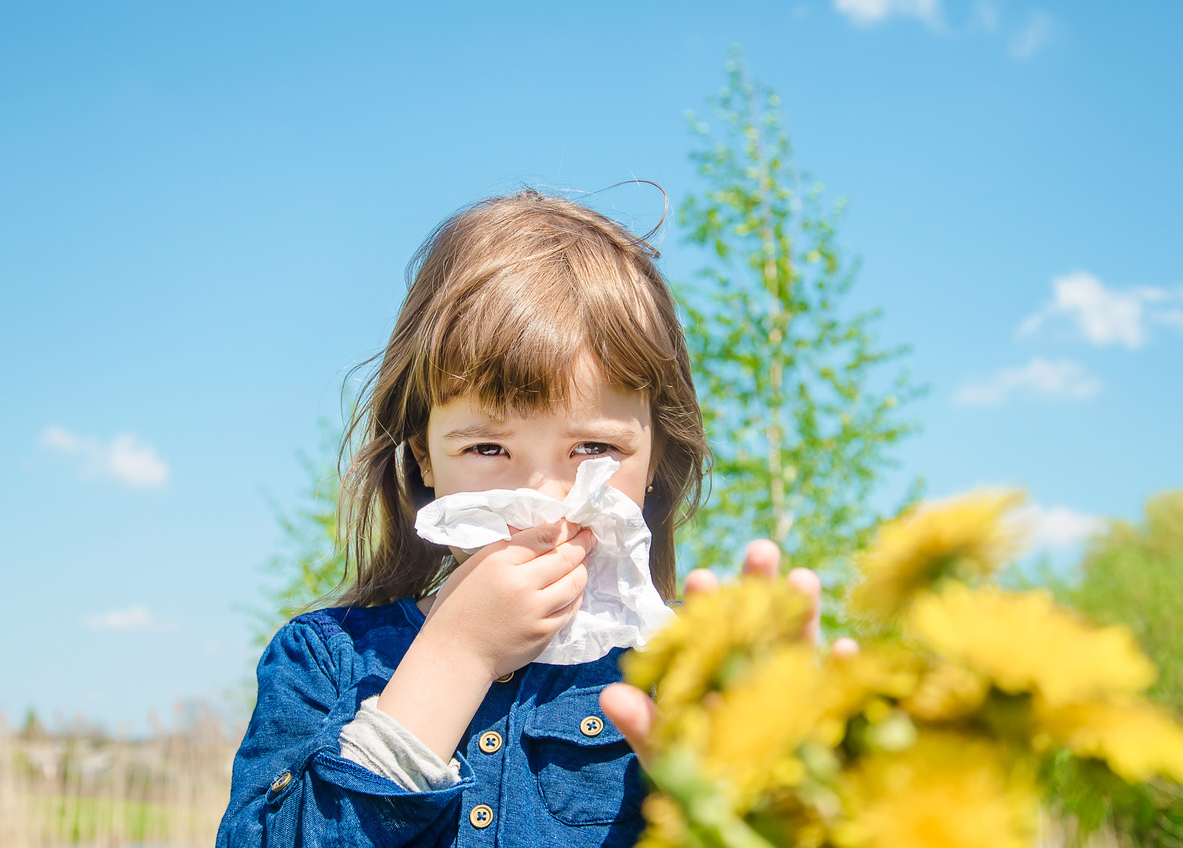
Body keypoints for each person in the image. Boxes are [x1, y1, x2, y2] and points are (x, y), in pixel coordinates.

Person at [216, 189, 824, 848]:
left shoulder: (682, 679)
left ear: (654, 457)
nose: (547, 497)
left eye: (593, 449)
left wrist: (771, 780)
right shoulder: (323, 661)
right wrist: (454, 658)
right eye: (487, 448)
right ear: (422, 457)